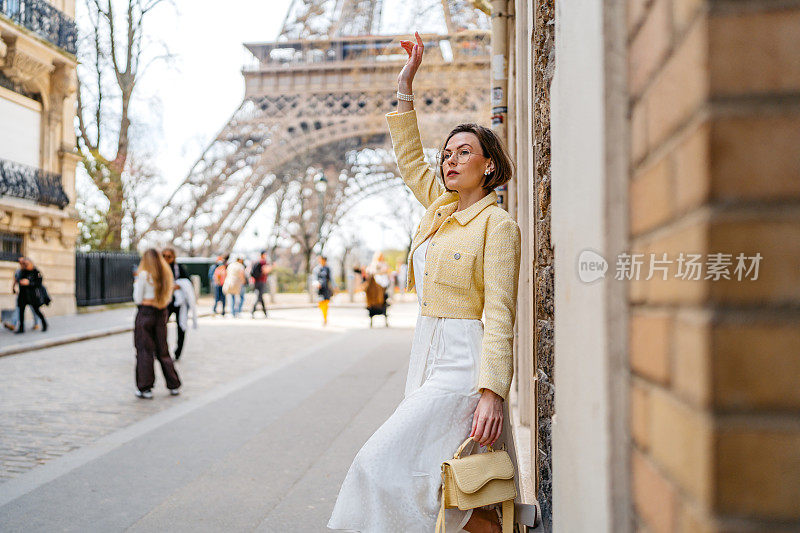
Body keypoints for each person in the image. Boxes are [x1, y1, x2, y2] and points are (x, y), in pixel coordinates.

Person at [328, 32, 521, 533]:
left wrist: (492, 391)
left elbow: (500, 311)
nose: (450, 159)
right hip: (427, 351)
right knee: (439, 480)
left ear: (490, 165)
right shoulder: (439, 209)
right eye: (447, 153)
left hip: (463, 361)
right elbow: (411, 160)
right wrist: (405, 85)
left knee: (380, 462)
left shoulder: (497, 225)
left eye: (464, 151)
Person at [133, 249, 181, 399]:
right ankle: (173, 384)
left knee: (144, 350)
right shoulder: (166, 275)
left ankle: (145, 387)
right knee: (163, 350)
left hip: (146, 312)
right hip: (161, 313)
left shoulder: (144, 275)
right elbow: (168, 297)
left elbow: (137, 298)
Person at [162, 247, 190, 360]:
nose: (166, 258)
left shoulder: (179, 268)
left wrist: (178, 285)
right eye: (163, 256)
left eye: (169, 256)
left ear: (173, 257)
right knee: (161, 327)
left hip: (179, 303)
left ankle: (177, 353)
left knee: (181, 327)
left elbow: (187, 282)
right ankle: (161, 351)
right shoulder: (159, 269)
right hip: (165, 303)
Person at [13, 257, 48, 334]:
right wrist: (21, 281)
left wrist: (29, 283)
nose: (25, 265)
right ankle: (21, 328)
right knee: (21, 312)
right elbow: (17, 279)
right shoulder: (22, 272)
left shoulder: (36, 272)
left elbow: (39, 283)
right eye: (24, 264)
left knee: (36, 310)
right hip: (23, 295)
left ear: (31, 263)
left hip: (32, 296)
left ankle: (44, 324)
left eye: (27, 264)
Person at [313, 256, 335, 326]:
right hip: (319, 289)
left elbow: (331, 279)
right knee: (321, 304)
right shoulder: (316, 269)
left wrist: (335, 287)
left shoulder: (328, 269)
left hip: (326, 289)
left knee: (326, 304)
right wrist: (316, 283)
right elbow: (314, 279)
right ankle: (324, 316)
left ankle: (325, 318)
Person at [250, 250, 272, 318]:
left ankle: (264, 312)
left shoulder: (257, 261)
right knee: (259, 296)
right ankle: (253, 310)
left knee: (260, 296)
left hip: (256, 281)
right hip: (261, 281)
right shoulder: (263, 262)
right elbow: (265, 271)